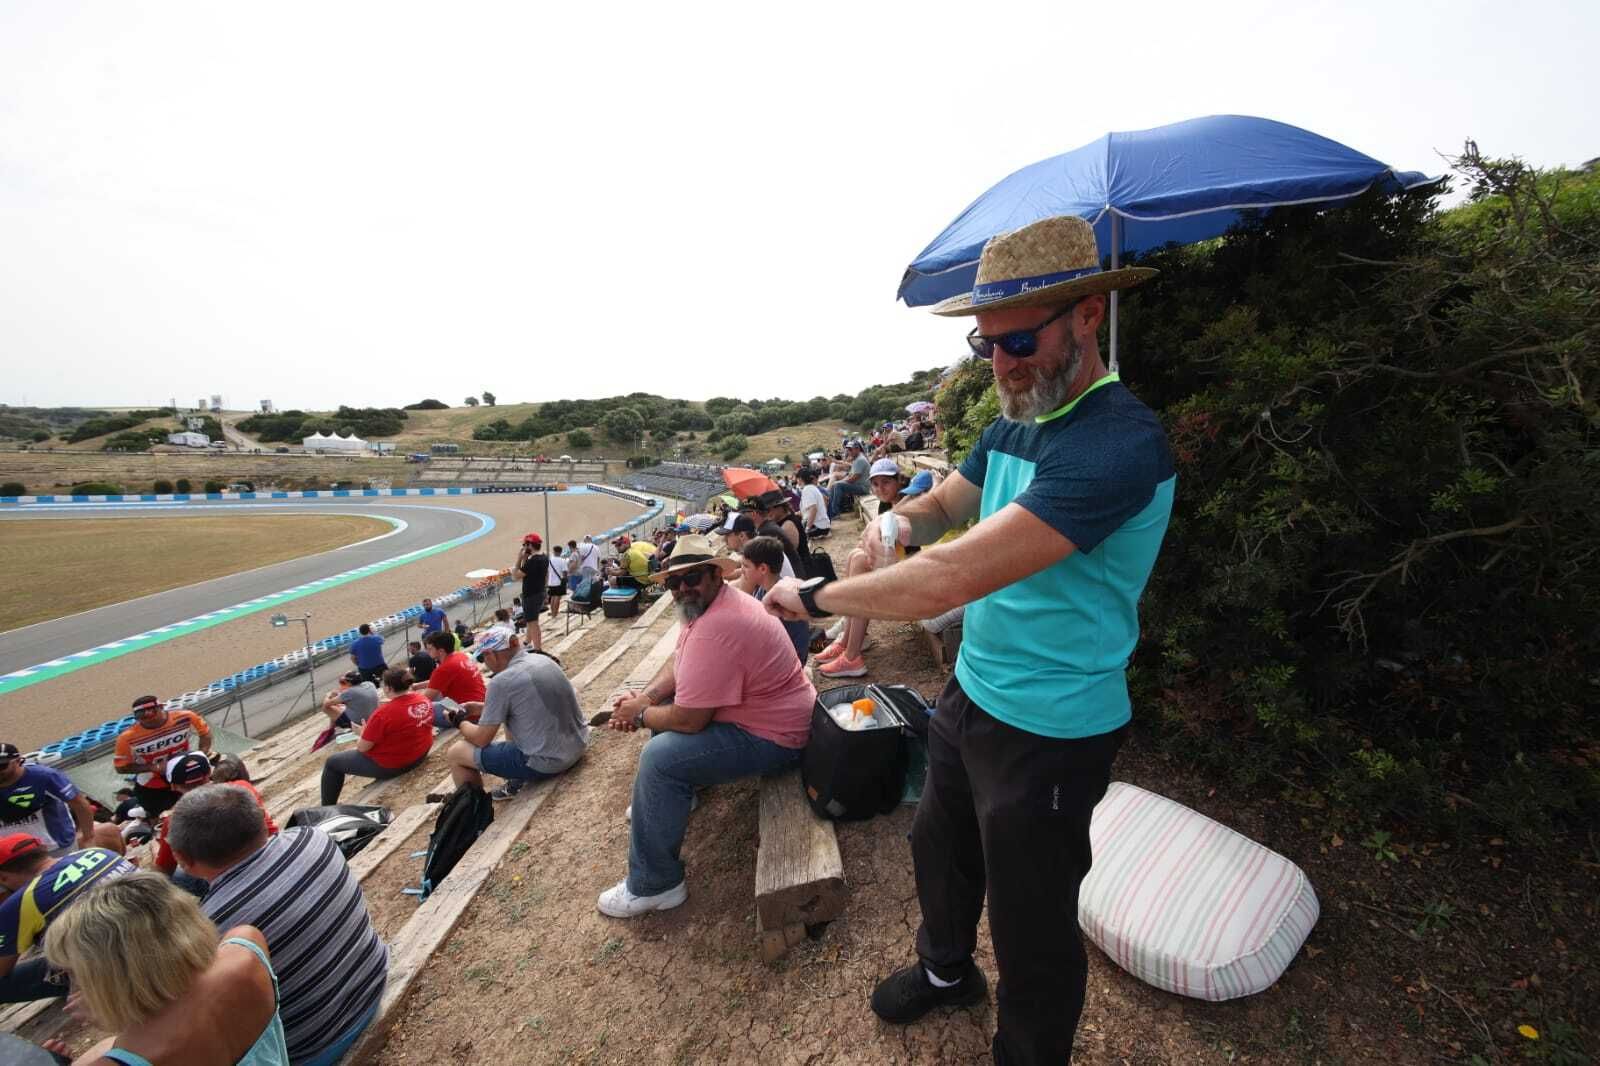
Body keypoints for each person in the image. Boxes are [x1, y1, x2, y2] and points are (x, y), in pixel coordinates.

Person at [762, 215, 1172, 1064]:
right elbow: (947, 505)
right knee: (939, 848)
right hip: (973, 691)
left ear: (1089, 314)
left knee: (1033, 918)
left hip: (1054, 726)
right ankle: (948, 972)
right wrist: (897, 521)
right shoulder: (1017, 415)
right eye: (986, 347)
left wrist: (817, 592)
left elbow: (952, 580)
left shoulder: (1118, 446)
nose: (1002, 364)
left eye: (1019, 339)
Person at [597, 536, 815, 918]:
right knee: (661, 705)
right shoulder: (710, 606)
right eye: (673, 582)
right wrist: (646, 699)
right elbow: (680, 663)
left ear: (715, 573)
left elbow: (690, 720)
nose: (682, 588)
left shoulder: (719, 625)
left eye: (692, 577)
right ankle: (685, 792)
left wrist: (639, 715)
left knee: (659, 759)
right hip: (773, 717)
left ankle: (654, 885)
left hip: (779, 737)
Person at [169, 785, 386, 1065]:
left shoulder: (210, 925)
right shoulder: (314, 838)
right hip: (372, 985)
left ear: (183, 860)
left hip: (312, 1048)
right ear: (262, 817)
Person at [44, 872, 289, 1065]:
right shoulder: (246, 945)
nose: (75, 983)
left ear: (110, 977)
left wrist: (114, 1008)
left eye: (74, 972)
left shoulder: (126, 1058)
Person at [444, 626, 587, 802]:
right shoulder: (542, 660)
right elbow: (525, 703)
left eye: (483, 657)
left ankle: (475, 812)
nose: (484, 663)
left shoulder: (501, 682)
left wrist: (459, 722)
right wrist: (478, 708)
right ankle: (516, 780)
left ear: (491, 654)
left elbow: (481, 739)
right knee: (509, 716)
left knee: (456, 752)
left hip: (549, 762)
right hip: (577, 745)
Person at [814, 463, 931, 679]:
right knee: (854, 556)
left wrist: (906, 495)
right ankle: (849, 642)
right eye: (875, 484)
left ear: (899, 480)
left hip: (913, 574)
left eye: (886, 482)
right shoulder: (884, 507)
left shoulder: (912, 501)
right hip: (901, 568)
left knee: (859, 563)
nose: (880, 489)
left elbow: (926, 476)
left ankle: (851, 656)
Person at [0, 833, 136, 1003]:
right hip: (160, 926)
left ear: (4, 877)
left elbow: (2, 970)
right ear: (42, 851)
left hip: (120, 964)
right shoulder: (98, 852)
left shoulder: (22, 901)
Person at [152, 753, 278, 894]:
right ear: (209, 774)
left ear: (173, 786)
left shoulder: (174, 820)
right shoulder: (242, 787)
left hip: (228, 882)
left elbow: (163, 872)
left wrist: (155, 848)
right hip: (269, 853)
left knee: (177, 876)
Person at [319, 667, 434, 805]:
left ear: (389, 688)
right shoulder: (422, 698)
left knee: (332, 763)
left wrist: (361, 733)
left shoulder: (383, 714)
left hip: (395, 765)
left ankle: (326, 806)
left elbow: (362, 748)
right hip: (421, 753)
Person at [0, 743, 123, 855]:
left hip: (54, 847)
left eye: (2, 765)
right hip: (11, 852)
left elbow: (80, 804)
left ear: (18, 761)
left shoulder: (44, 777)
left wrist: (88, 837)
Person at [113, 696, 212, 818]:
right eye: (141, 715)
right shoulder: (126, 738)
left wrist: (201, 754)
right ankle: (145, 814)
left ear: (161, 707)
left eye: (153, 711)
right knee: (162, 816)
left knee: (201, 807)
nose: (149, 718)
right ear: (136, 717)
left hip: (183, 774)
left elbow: (205, 734)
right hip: (153, 783)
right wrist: (154, 767)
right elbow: (120, 768)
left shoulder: (185, 717)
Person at [739, 537, 810, 664]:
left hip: (790, 661)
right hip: (783, 654)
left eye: (746, 566)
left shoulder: (780, 599)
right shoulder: (766, 587)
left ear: (763, 569)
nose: (742, 570)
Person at [420, 629, 487, 728]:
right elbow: (438, 682)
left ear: (441, 651)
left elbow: (424, 700)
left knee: (420, 708)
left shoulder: (443, 669)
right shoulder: (460, 656)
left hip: (468, 714)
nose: (427, 651)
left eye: (429, 649)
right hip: (481, 704)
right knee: (436, 695)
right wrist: (417, 686)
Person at [753, 490, 809, 578]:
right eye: (765, 511)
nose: (768, 513)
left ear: (781, 507)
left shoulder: (787, 524)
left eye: (769, 509)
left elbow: (790, 552)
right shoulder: (781, 522)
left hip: (803, 570)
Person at [513, 533, 549, 651]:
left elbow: (516, 576)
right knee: (530, 620)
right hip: (539, 592)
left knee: (533, 623)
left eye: (525, 545)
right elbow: (526, 573)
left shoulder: (533, 561)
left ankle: (538, 649)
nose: (523, 547)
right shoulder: (544, 557)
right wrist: (525, 559)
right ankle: (527, 642)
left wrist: (519, 558)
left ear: (530, 545)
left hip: (531, 595)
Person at [827, 440, 871, 518]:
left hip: (863, 488)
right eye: (848, 449)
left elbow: (853, 479)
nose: (849, 451)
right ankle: (832, 510)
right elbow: (850, 475)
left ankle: (835, 512)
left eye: (851, 449)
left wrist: (840, 482)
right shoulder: (857, 458)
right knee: (836, 485)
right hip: (859, 485)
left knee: (838, 485)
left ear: (857, 449)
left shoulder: (860, 460)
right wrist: (841, 481)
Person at [797, 466, 831, 539]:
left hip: (818, 527)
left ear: (800, 479)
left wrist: (807, 529)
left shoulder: (807, 490)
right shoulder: (813, 488)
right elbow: (824, 501)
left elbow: (813, 509)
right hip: (823, 526)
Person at [546, 545, 568, 619]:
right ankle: (555, 613)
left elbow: (547, 571)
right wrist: (565, 580)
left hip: (551, 582)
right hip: (559, 581)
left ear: (554, 551)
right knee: (557, 598)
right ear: (561, 552)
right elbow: (565, 572)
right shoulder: (562, 560)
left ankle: (553, 613)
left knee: (552, 597)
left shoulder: (550, 560)